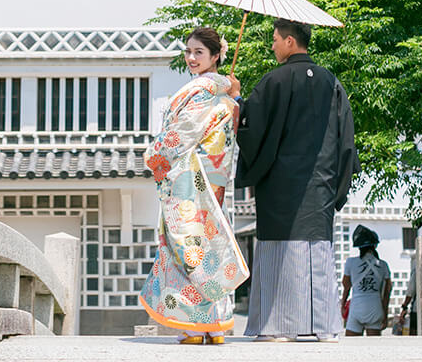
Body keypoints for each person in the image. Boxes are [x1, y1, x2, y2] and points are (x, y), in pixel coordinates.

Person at [232, 18, 359, 341]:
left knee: (281, 251)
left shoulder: (274, 82)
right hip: (320, 186)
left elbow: (251, 130)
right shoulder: (332, 83)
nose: (272, 45)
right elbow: (346, 140)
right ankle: (323, 327)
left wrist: (236, 101)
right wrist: (337, 185)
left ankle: (279, 327)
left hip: (281, 187)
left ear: (290, 42)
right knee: (317, 250)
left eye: (275, 39)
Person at [139, 27, 249, 345]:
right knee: (210, 246)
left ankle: (196, 325)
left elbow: (181, 134)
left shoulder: (201, 91)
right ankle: (217, 324)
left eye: (199, 52)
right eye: (188, 51)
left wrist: (154, 155)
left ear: (216, 56)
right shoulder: (226, 96)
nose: (191, 58)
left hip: (191, 178)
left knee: (188, 247)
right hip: (214, 180)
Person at [341, 225, 391, 336]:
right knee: (373, 348)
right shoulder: (383, 265)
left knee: (351, 347)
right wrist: (385, 315)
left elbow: (346, 286)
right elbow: (387, 293)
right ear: (374, 245)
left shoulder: (350, 262)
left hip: (356, 306)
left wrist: (342, 305)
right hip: (375, 307)